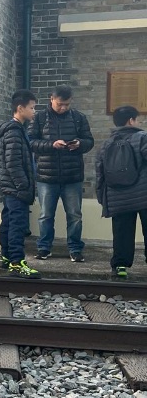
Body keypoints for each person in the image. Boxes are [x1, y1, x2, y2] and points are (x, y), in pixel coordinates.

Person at [29, 84, 94, 262]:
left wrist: (79, 144)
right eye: (60, 104)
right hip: (46, 176)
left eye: (67, 104)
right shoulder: (39, 117)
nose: (63, 108)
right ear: (51, 99)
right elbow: (31, 142)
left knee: (75, 215)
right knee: (45, 215)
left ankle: (75, 249)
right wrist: (51, 145)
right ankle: (44, 247)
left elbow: (89, 141)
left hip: (72, 176)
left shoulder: (79, 118)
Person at [95, 105, 147, 279]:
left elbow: (100, 173)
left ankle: (120, 266)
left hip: (118, 197)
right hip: (143, 195)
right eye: (137, 119)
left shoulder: (106, 144)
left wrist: (102, 197)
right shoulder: (142, 137)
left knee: (122, 232)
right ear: (131, 121)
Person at [0, 89, 40, 277]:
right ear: (20, 108)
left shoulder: (15, 130)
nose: (34, 111)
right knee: (17, 224)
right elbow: (13, 163)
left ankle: (6, 256)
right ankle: (16, 262)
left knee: (8, 220)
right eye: (32, 107)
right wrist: (23, 186)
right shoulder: (14, 132)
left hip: (10, 187)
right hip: (16, 188)